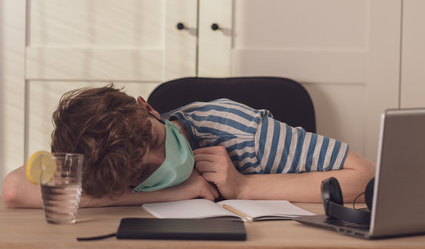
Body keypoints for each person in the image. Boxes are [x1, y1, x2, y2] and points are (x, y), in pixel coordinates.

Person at [2, 84, 375, 208]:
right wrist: (175, 193)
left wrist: (245, 186)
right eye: (142, 172)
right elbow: (13, 188)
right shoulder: (105, 164)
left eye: (155, 141)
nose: (162, 160)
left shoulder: (241, 131)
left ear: (148, 108)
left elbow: (366, 176)